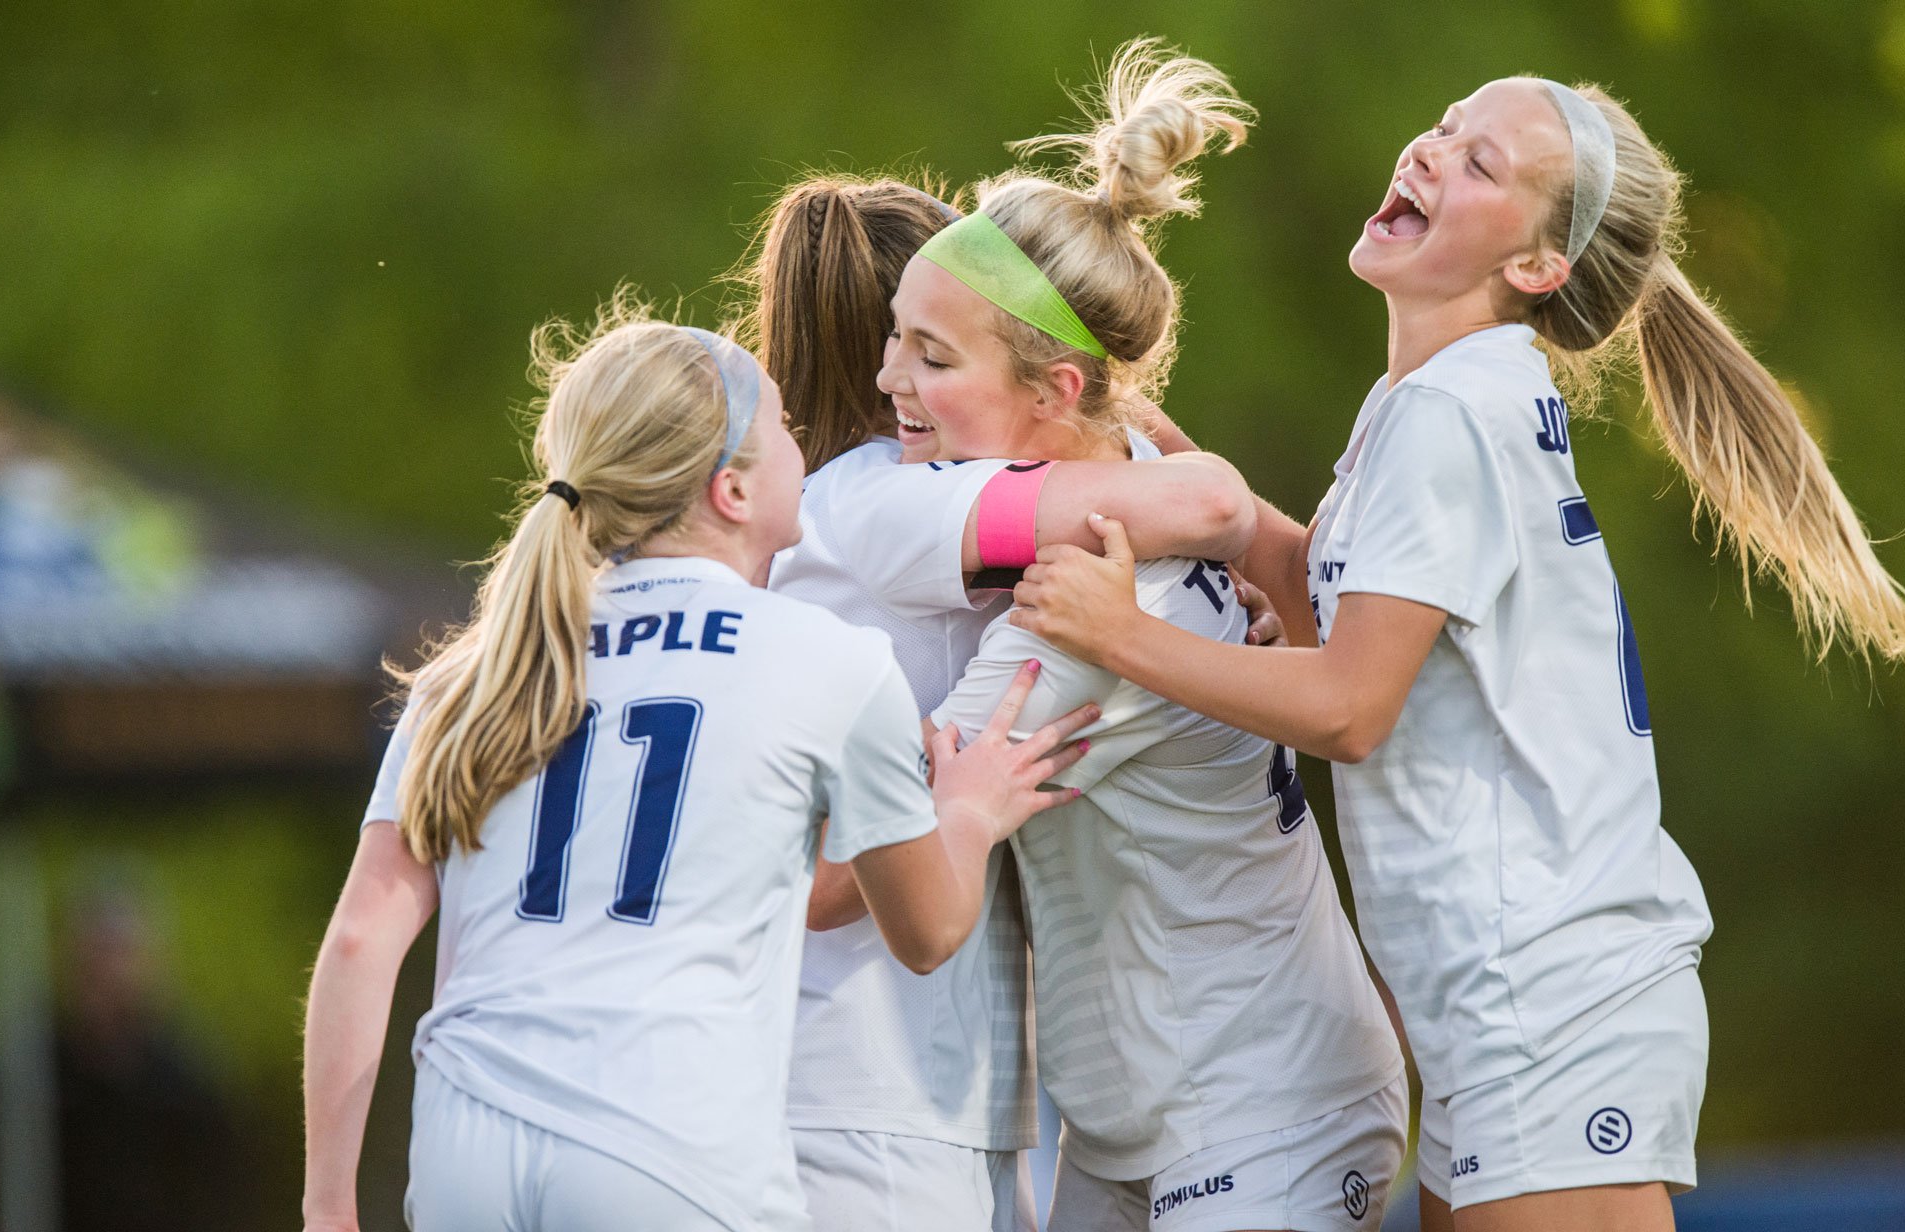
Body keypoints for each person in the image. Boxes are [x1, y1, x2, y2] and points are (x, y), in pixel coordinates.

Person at [1008, 77, 1905, 1232]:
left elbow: (1350, 704)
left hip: (1552, 999)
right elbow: (1341, 616)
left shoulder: (1448, 413)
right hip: (1498, 1003)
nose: (1431, 149)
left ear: (1536, 267)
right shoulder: (1424, 398)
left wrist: (1121, 634)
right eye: (1447, 126)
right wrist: (1184, 481)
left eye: (1480, 164)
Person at [299, 299, 1098, 1232]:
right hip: (667, 1144)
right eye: (784, 429)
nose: (806, 442)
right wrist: (969, 808)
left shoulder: (476, 673)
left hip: (464, 1147)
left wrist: (327, 1209)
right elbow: (926, 931)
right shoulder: (827, 660)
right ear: (731, 490)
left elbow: (360, 940)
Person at [844, 41, 1409, 1231]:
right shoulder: (1137, 463)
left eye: (932, 356)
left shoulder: (1087, 605)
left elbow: (875, 873)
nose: (890, 376)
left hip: (1268, 1107)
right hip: (1126, 1120)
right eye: (898, 334)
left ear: (1054, 391)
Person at [732, 171, 1269, 1232]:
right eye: (918, 342)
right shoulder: (895, 495)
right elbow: (1201, 498)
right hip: (884, 1073)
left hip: (875, 1073)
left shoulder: (796, 513)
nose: (908, 370)